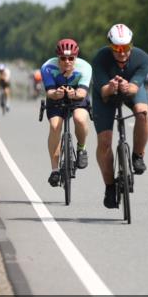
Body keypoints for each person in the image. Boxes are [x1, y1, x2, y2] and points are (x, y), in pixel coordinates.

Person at [91, 23, 148, 209]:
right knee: (104, 141)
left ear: (131, 45)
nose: (122, 53)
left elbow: (135, 87)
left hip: (130, 88)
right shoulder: (100, 58)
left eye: (126, 48)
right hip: (106, 94)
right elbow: (103, 91)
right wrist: (111, 87)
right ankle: (109, 187)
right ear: (110, 47)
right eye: (117, 49)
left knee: (142, 112)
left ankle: (137, 155)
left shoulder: (142, 58)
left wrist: (128, 87)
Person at [41, 39, 92, 187]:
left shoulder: (85, 67)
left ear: (76, 57)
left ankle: (81, 148)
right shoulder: (48, 67)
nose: (67, 62)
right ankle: (55, 170)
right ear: (58, 57)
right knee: (55, 125)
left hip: (77, 96)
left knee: (80, 119)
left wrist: (73, 94)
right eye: (63, 58)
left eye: (71, 58)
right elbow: (49, 92)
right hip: (56, 97)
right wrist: (56, 93)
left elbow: (82, 92)